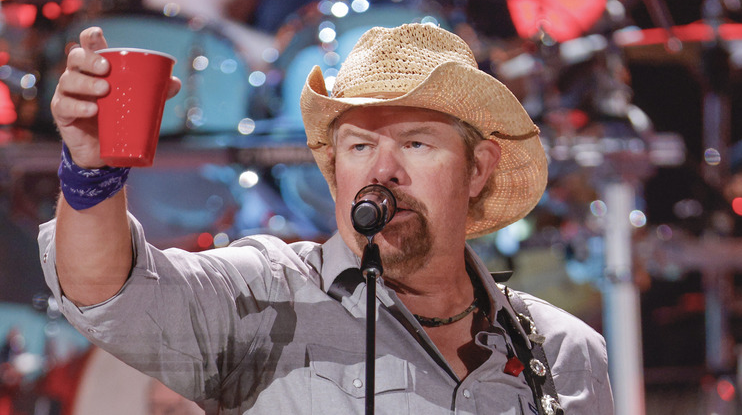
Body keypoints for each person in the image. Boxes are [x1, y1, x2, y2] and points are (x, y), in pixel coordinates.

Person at [39, 23, 613, 414]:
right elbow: (105, 288)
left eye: (415, 143)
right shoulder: (265, 296)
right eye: (360, 146)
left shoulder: (566, 353)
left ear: (477, 170)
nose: (381, 170)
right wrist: (91, 169)